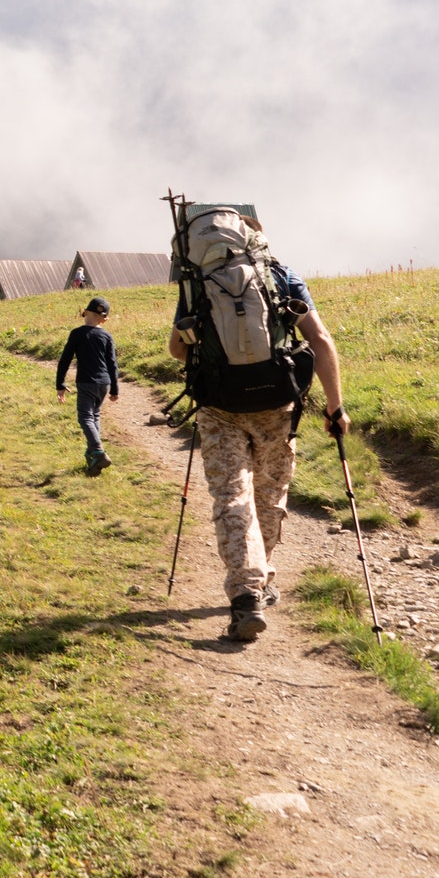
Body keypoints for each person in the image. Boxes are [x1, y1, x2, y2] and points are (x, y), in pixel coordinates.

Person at [168, 245, 344, 642]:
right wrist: (335, 408)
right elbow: (320, 338)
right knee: (268, 496)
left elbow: (179, 349)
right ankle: (259, 581)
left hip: (219, 409)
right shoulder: (282, 276)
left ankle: (247, 596)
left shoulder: (197, 283)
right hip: (276, 406)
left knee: (232, 496)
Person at [56, 297, 119, 476]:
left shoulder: (77, 333)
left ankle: (98, 451)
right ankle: (93, 456)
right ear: (104, 319)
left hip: (86, 382)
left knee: (85, 417)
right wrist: (115, 389)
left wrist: (60, 383)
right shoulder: (107, 336)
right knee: (95, 415)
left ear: (85, 313)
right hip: (104, 383)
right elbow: (113, 364)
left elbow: (65, 359)